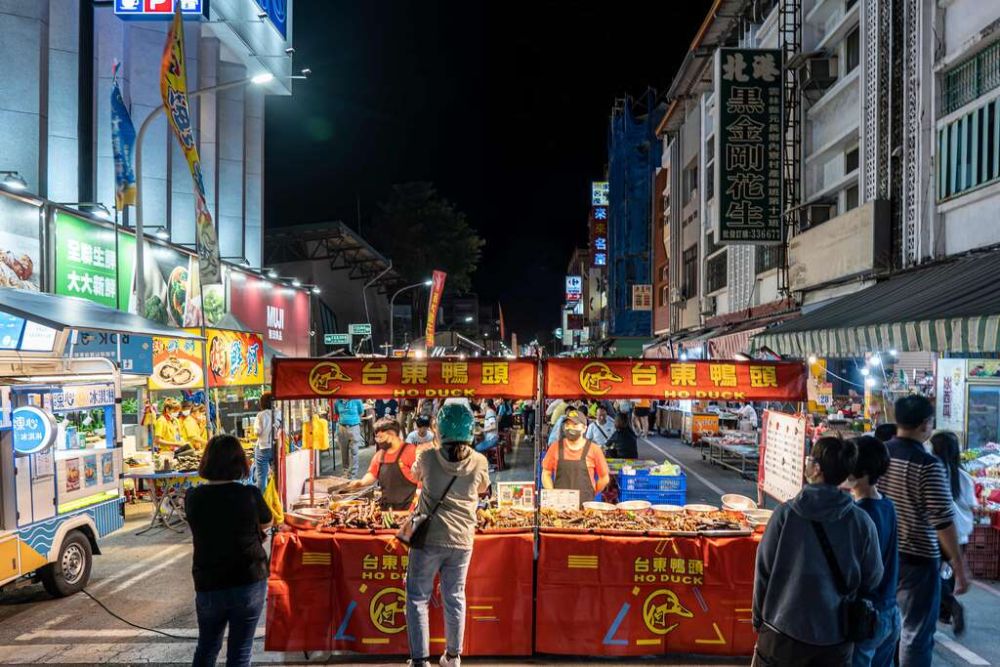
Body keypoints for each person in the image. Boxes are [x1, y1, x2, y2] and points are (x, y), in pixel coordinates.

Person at [753, 436, 883, 666]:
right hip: (835, 639)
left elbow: (763, 570)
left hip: (782, 634)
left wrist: (759, 620)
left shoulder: (785, 514)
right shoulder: (861, 522)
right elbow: (872, 578)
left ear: (816, 468)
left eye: (809, 459)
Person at [879, 395, 968, 667]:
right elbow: (943, 520)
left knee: (885, 624)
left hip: (883, 554)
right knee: (915, 633)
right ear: (926, 424)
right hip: (919, 559)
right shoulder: (928, 465)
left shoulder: (881, 454)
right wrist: (959, 566)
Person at [406, 403, 490, 667]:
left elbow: (413, 474)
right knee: (455, 597)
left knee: (417, 597)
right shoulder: (479, 461)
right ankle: (453, 656)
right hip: (462, 539)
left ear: (439, 429)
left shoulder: (428, 457)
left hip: (428, 538)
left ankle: (420, 661)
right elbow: (484, 488)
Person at [186, 434, 272, 667]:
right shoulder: (249, 495)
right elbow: (267, 522)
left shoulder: (193, 497)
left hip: (209, 582)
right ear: (239, 463)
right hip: (248, 580)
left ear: (207, 462)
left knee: (207, 647)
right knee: (240, 652)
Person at [844, 436, 900, 667]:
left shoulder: (859, 516)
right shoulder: (887, 505)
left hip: (867, 616)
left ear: (862, 472)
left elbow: (857, 572)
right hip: (889, 611)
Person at [930, 431, 977, 636]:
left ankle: (950, 605)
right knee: (946, 572)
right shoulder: (964, 477)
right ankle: (944, 611)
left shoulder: (934, 473)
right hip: (962, 534)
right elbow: (972, 504)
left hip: (940, 533)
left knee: (932, 574)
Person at [540, 409, 610, 504]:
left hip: (586, 506)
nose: (570, 428)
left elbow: (604, 478)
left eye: (575, 425)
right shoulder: (555, 447)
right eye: (567, 425)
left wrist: (592, 492)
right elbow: (546, 473)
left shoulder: (594, 449)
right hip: (560, 506)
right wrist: (553, 494)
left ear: (584, 428)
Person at [348, 418, 418, 510]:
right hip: (387, 507)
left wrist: (416, 505)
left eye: (381, 437)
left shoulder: (411, 451)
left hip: (409, 506)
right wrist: (361, 483)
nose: (378, 441)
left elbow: (422, 481)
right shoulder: (380, 455)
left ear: (392, 434)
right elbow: (372, 474)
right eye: (376, 437)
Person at [334, 398, 365, 478]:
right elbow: (337, 413)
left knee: (354, 451)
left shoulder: (357, 400)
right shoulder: (337, 402)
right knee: (343, 451)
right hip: (342, 427)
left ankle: (353, 474)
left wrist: (353, 419)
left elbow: (361, 412)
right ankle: (345, 472)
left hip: (354, 427)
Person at [252, 392, 274, 493]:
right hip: (276, 447)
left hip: (263, 448)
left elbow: (257, 432)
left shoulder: (260, 415)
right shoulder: (279, 412)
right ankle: (276, 496)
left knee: (262, 476)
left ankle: (263, 499)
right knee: (277, 474)